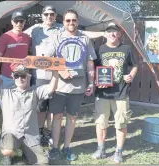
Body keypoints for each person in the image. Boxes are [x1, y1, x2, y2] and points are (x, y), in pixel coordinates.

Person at [24, 5, 105, 146]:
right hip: (43, 74)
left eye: (52, 14)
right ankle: (40, 132)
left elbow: (83, 35)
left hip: (59, 78)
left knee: (55, 111)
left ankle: (51, 136)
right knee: (42, 107)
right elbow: (20, 36)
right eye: (46, 14)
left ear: (56, 16)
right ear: (43, 15)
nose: (49, 16)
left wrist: (104, 33)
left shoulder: (61, 28)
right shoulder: (36, 28)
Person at [0, 60, 59, 165]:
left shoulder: (35, 92)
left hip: (30, 136)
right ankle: (7, 156)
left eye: (23, 76)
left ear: (28, 77)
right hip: (12, 134)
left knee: (43, 163)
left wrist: (55, 71)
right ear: (13, 77)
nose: (20, 79)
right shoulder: (4, 92)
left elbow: (51, 87)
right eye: (17, 76)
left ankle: (26, 154)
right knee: (8, 149)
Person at [45, 9, 97, 161]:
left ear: (78, 22)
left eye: (73, 20)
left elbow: (89, 62)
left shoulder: (85, 39)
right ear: (63, 22)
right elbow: (48, 59)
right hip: (59, 86)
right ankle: (54, 147)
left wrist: (92, 82)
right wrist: (61, 71)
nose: (71, 23)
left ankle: (66, 147)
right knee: (57, 117)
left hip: (77, 86)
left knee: (72, 118)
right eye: (68, 20)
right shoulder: (57, 37)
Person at [92, 22, 137, 164]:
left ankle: (118, 151)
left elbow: (134, 65)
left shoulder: (126, 49)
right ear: (105, 34)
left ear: (119, 34)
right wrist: (95, 80)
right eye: (109, 31)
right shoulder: (98, 50)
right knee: (100, 122)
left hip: (121, 92)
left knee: (121, 123)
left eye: (114, 31)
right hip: (102, 93)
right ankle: (101, 148)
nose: (112, 34)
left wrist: (131, 75)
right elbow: (92, 69)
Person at [0, 10, 31, 131]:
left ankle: (17, 132)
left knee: (21, 107)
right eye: (16, 21)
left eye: (21, 21)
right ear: (12, 22)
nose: (19, 23)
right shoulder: (5, 37)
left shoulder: (27, 37)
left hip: (22, 78)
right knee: (4, 107)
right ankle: (4, 132)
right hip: (7, 77)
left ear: (24, 22)